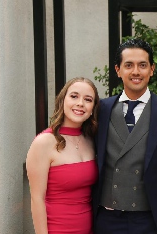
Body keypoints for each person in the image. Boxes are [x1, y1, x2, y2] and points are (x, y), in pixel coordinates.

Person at [93, 38, 157, 234]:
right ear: (118, 70)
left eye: (142, 65)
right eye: (129, 65)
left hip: (150, 220)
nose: (136, 71)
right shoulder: (101, 109)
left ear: (152, 69)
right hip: (107, 219)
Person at [26, 77, 100, 234]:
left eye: (88, 99)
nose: (80, 103)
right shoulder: (44, 142)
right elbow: (37, 199)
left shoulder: (91, 140)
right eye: (74, 96)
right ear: (62, 100)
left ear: (93, 107)